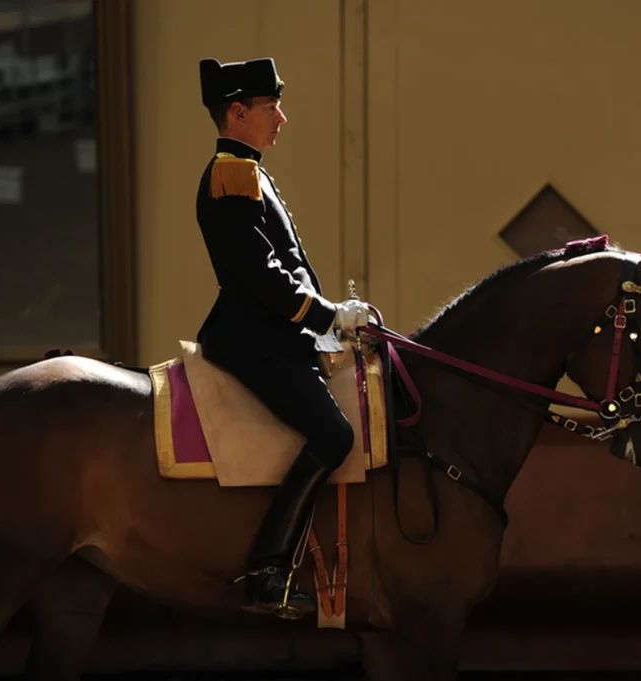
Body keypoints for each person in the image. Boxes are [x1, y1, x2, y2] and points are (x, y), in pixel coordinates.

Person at [194, 56, 370, 616]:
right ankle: (268, 569)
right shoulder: (231, 175)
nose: (282, 119)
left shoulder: (251, 172)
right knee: (335, 436)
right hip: (255, 339)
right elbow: (260, 275)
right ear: (238, 112)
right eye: (271, 108)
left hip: (277, 334)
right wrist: (327, 317)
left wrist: (330, 320)